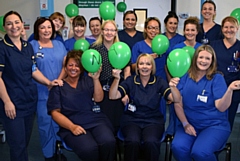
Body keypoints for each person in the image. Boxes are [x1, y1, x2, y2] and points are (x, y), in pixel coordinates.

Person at [0, 11, 61, 161]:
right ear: (4, 27)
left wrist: (48, 82)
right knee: (18, 145)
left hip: (29, 101)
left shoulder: (27, 46)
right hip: (12, 103)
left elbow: (33, 70)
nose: (13, 26)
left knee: (25, 141)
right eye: (9, 23)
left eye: (16, 22)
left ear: (22, 25)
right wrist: (7, 101)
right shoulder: (2, 48)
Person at [171, 45, 240, 161]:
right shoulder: (185, 76)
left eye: (208, 58)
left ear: (212, 61)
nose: (203, 61)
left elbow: (221, 108)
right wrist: (185, 124)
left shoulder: (217, 78)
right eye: (201, 57)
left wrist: (230, 90)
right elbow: (178, 103)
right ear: (195, 59)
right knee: (178, 147)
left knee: (200, 152)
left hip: (214, 125)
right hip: (190, 123)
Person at [109, 53, 181, 161]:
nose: (144, 66)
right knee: (133, 141)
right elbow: (113, 96)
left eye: (148, 64)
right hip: (132, 120)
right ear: (137, 66)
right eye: (141, 63)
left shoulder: (159, 81)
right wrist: (116, 79)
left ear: (152, 66)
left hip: (153, 121)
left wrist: (173, 87)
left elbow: (176, 99)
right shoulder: (130, 81)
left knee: (151, 142)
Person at [47, 50, 116, 161]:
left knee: (109, 142)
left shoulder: (88, 80)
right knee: (89, 149)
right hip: (72, 124)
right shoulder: (58, 87)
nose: (73, 68)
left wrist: (96, 79)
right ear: (65, 67)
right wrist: (72, 127)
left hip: (96, 121)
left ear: (82, 68)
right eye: (70, 65)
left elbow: (99, 99)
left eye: (77, 66)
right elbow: (55, 113)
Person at [30, 17, 67, 161]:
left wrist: (57, 80)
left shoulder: (59, 45)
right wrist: (48, 83)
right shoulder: (31, 46)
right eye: (43, 27)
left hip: (59, 90)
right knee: (45, 125)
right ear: (37, 30)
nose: (46, 30)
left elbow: (65, 65)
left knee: (59, 123)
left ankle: (58, 150)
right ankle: (48, 155)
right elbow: (32, 68)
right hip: (42, 91)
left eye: (49, 27)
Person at [90, 20, 131, 133]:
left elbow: (127, 71)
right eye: (106, 30)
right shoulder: (94, 48)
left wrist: (126, 92)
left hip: (118, 85)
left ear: (116, 32)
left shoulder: (121, 48)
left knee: (118, 118)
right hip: (100, 85)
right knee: (103, 119)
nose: (109, 32)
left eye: (112, 30)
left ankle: (117, 144)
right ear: (102, 32)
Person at [210, 16, 240, 130]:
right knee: (214, 118)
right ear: (222, 29)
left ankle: (224, 141)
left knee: (229, 120)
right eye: (226, 27)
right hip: (215, 88)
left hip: (234, 90)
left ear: (237, 28)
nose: (229, 30)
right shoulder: (214, 45)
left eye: (232, 27)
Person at [162, 11, 185, 136]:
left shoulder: (182, 40)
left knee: (175, 105)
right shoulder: (159, 38)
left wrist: (173, 82)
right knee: (160, 107)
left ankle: (173, 132)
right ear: (165, 24)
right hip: (161, 74)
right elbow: (165, 63)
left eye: (175, 23)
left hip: (177, 78)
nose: (173, 25)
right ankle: (160, 132)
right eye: (170, 23)